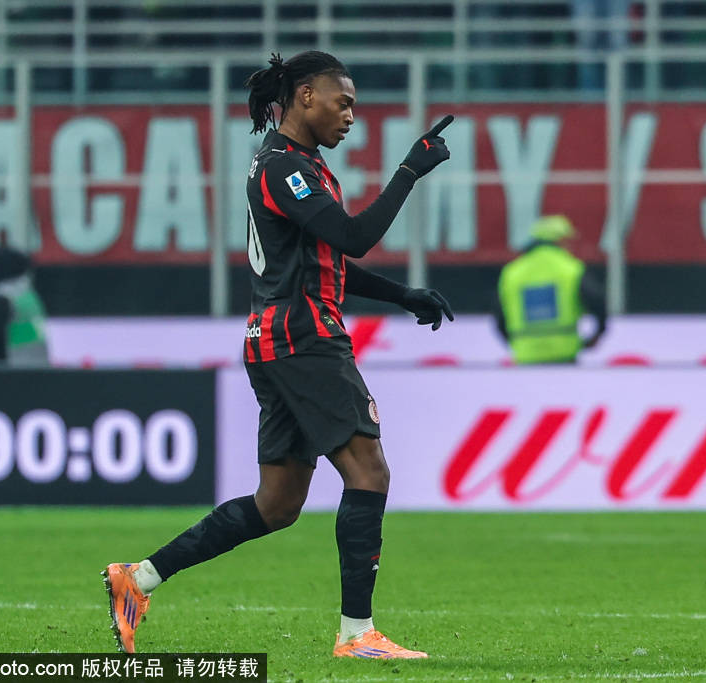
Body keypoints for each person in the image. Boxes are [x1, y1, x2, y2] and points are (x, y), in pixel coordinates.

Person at [102, 50, 455, 660]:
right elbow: (352, 237)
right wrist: (408, 171)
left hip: (277, 339)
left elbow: (329, 259)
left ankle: (139, 578)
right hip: (303, 337)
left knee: (279, 503)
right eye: (343, 102)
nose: (351, 116)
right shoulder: (284, 167)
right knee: (368, 471)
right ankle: (358, 635)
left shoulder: (299, 166)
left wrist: (401, 296)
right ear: (306, 96)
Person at [495, 215, 606, 364]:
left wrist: (516, 342)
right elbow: (597, 301)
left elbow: (500, 314)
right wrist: (598, 333)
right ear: (561, 240)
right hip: (565, 352)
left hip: (525, 355)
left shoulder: (511, 272)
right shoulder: (572, 269)